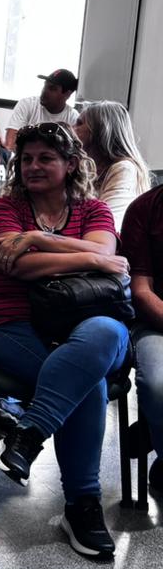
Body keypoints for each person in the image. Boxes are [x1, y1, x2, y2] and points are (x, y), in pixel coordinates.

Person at [0, 122, 128, 560]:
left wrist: (39, 240)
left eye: (46, 158)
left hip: (88, 326)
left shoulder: (95, 209)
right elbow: (18, 266)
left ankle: (28, 434)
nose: (33, 166)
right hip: (13, 326)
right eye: (26, 159)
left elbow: (106, 255)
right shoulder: (3, 210)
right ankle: (82, 505)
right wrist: (87, 257)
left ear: (71, 164)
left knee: (104, 334)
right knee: (88, 382)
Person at [121, 182, 163, 496]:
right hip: (155, 322)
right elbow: (141, 291)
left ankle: (153, 426)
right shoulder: (145, 209)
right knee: (158, 387)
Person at [72, 101, 150, 230]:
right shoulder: (87, 166)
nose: (73, 128)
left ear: (99, 130)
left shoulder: (124, 168)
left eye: (79, 123)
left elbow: (107, 225)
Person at [5, 69, 79, 151]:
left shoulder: (73, 117)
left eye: (52, 88)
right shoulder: (27, 104)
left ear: (67, 94)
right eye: (45, 86)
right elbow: (9, 143)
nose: (44, 91)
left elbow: (75, 150)